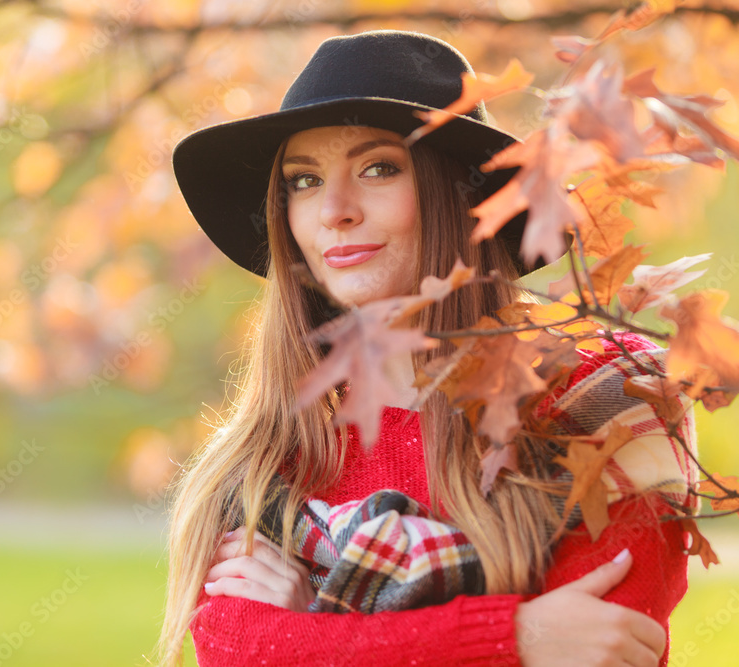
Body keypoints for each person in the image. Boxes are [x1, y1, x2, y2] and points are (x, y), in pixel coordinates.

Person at [158, 30, 697, 666]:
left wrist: (314, 623)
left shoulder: (608, 391)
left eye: (378, 168)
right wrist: (513, 637)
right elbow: (237, 648)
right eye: (303, 181)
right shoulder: (273, 453)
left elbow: (607, 644)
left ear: (463, 195)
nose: (333, 210)